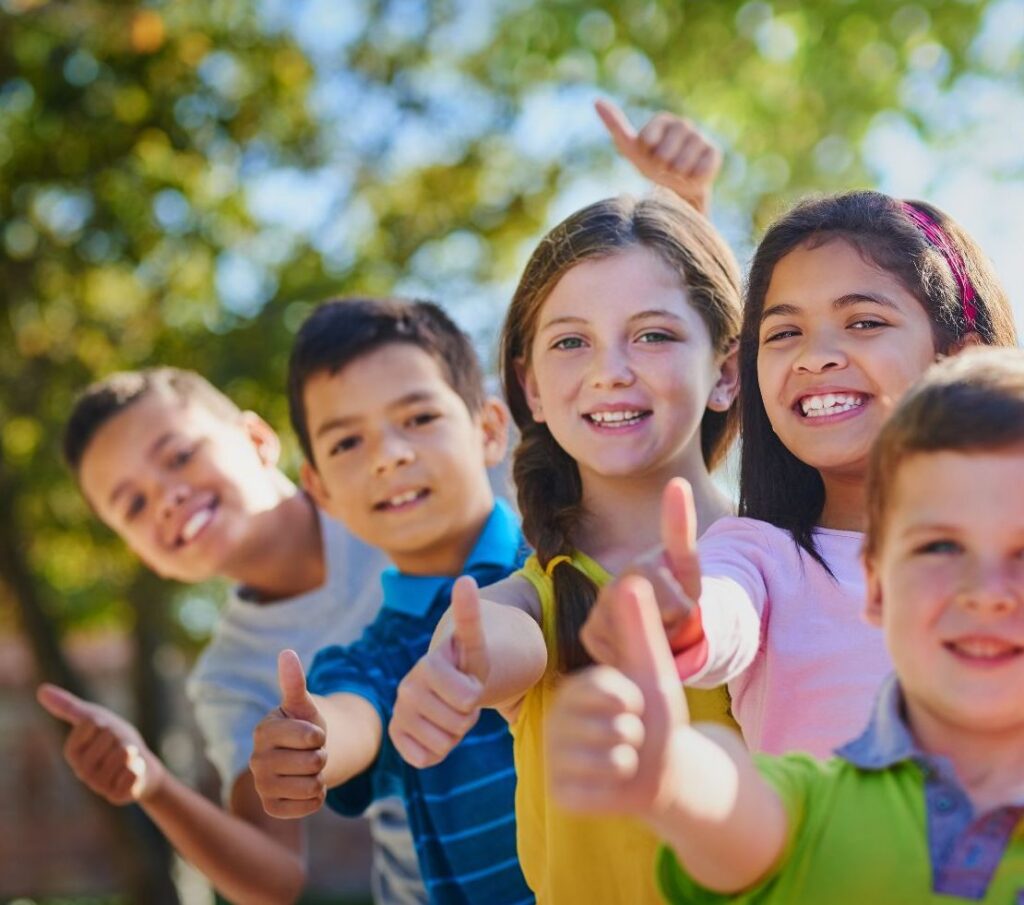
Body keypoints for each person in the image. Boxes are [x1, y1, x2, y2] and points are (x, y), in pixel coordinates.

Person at [388, 153, 746, 902]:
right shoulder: (533, 595)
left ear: (726, 371)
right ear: (531, 388)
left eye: (652, 335)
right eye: (571, 341)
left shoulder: (783, 559)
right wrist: (456, 665)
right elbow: (504, 642)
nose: (610, 369)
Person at [548, 347, 1024, 903]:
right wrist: (671, 770)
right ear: (875, 588)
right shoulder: (824, 801)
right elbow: (741, 817)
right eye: (941, 546)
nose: (986, 593)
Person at [581, 190, 1018, 758]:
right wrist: (683, 616)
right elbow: (721, 608)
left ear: (960, 362)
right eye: (784, 333)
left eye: (863, 321)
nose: (814, 357)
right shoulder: (757, 554)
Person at [37, 366, 424, 905]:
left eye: (178, 457)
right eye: (134, 505)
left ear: (258, 439)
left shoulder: (398, 481)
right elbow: (275, 879)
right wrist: (156, 785)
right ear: (142, 553)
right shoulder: (232, 678)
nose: (166, 498)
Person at [248, 298, 533, 904]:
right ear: (319, 488)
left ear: (488, 429)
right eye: (348, 442)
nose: (387, 455)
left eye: (419, 417)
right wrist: (311, 741)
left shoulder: (569, 560)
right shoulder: (369, 660)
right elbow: (352, 717)